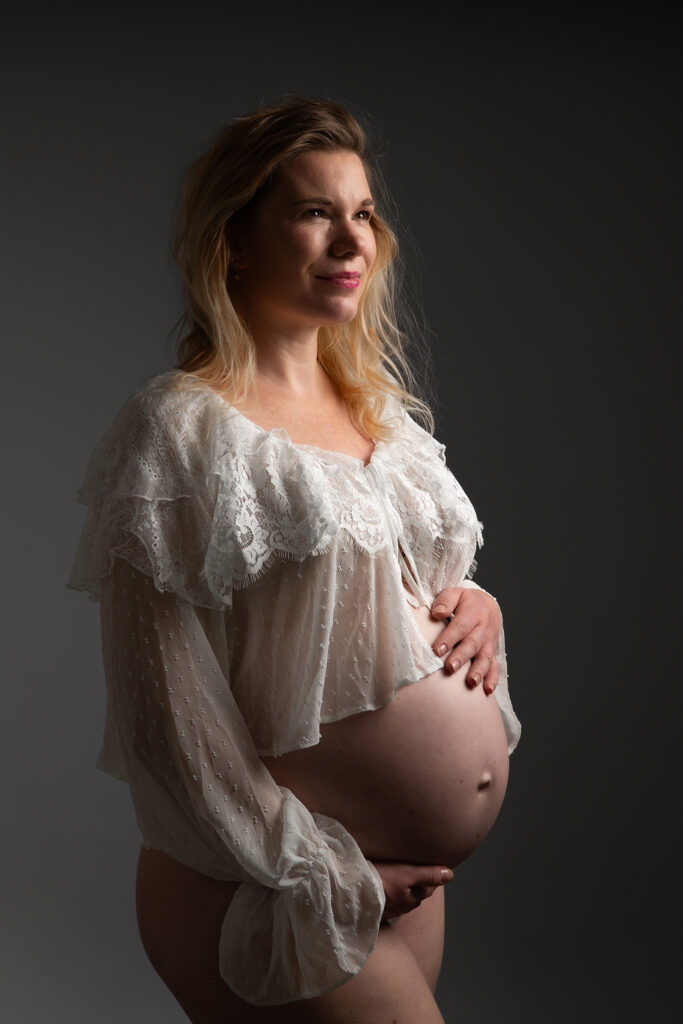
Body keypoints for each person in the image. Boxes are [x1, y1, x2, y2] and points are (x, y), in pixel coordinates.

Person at [67, 96, 521, 1022]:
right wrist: (314, 868)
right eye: (314, 213)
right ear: (233, 238)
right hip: (271, 882)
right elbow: (169, 715)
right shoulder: (180, 429)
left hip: (396, 879)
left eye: (361, 214)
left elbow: (381, 591)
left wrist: (475, 603)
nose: (350, 242)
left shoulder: (381, 417)